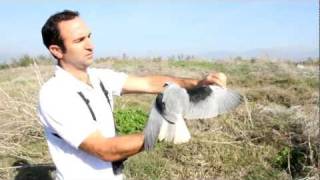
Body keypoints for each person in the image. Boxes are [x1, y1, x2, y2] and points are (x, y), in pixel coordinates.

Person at [38, 10, 227, 180]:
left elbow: (148, 83)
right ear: (56, 50)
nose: (91, 45)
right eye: (79, 40)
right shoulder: (55, 94)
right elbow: (103, 149)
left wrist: (197, 84)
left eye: (89, 36)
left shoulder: (98, 77)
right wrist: (160, 131)